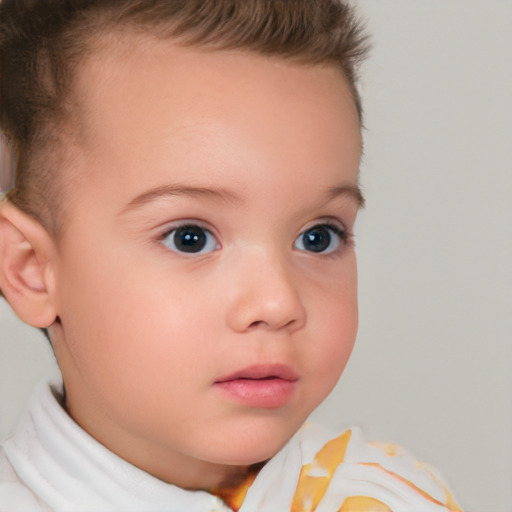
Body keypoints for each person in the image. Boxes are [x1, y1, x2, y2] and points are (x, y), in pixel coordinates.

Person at [0, 1, 462, 510]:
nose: (278, 302)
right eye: (190, 237)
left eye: (319, 237)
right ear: (32, 269)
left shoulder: (391, 497)